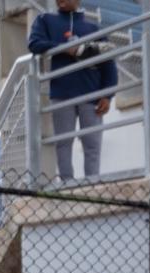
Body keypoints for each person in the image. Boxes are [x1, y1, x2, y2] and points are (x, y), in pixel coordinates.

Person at [28, 0, 118, 182]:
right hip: (62, 93)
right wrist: (65, 49)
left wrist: (107, 95)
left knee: (92, 144)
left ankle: (92, 183)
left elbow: (109, 64)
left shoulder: (93, 28)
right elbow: (34, 44)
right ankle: (67, 185)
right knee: (64, 143)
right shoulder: (46, 20)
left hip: (91, 94)